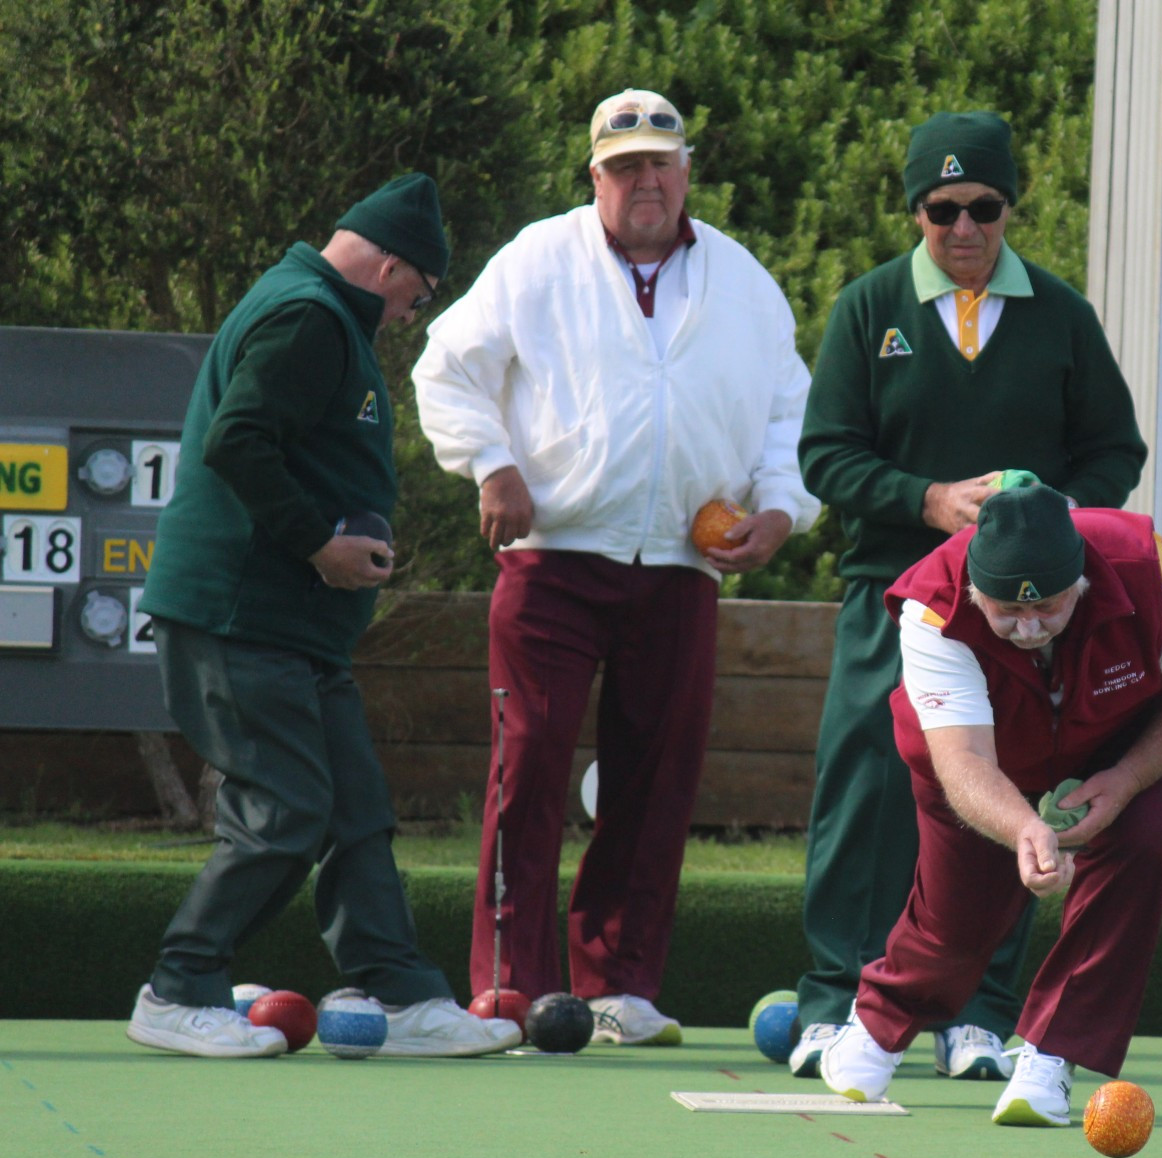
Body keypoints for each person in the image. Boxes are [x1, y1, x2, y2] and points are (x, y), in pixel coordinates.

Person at [413, 89, 817, 1045]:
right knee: (532, 766)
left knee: (657, 778)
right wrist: (492, 464)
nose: (646, 180)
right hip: (552, 557)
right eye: (624, 164)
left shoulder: (748, 283)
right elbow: (446, 368)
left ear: (687, 172)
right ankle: (510, 988)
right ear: (593, 176)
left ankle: (620, 987)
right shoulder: (536, 259)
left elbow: (788, 418)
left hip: (684, 563)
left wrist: (780, 508)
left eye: (661, 162)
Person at [790, 111, 1148, 1082]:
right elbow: (824, 453)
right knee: (864, 789)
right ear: (915, 210)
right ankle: (831, 1002)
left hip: (1022, 607)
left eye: (981, 208)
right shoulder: (868, 309)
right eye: (940, 209)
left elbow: (1115, 448)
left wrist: (1044, 519)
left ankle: (979, 1017)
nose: (961, 229)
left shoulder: (1060, 315)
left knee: (1005, 791)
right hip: (889, 591)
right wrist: (928, 499)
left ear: (1006, 208)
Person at [130, 175, 520, 1058]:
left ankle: (401, 991)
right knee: (286, 808)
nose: (408, 318)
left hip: (296, 626)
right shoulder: (308, 315)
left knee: (353, 806)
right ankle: (177, 985)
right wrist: (321, 545)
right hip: (243, 615)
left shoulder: (323, 314)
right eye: (414, 299)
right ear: (388, 266)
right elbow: (239, 440)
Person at [818, 483, 1162, 1123]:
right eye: (1005, 612)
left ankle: (1050, 1056)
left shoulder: (1151, 570)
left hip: (1121, 735)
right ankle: (878, 1025)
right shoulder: (932, 606)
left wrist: (1127, 778)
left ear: (1080, 585)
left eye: (1047, 608)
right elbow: (962, 761)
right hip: (978, 752)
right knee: (957, 917)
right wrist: (1025, 828)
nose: (1027, 628)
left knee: (1146, 847)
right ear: (971, 592)